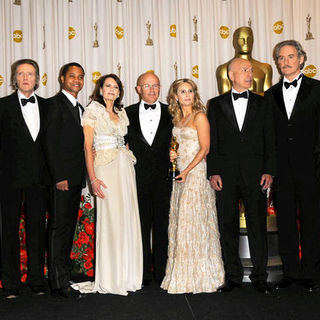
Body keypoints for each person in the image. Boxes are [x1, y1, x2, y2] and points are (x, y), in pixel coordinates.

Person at [207, 58, 276, 294]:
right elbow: (212, 141)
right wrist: (213, 171)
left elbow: (270, 139)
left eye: (251, 70)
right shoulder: (215, 104)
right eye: (245, 70)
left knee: (258, 225)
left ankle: (260, 277)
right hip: (225, 175)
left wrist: (269, 170)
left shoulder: (264, 103)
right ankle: (233, 277)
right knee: (227, 226)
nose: (250, 73)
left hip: (256, 173)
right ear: (231, 75)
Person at [72, 74, 143, 295]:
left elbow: (125, 140)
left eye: (116, 86)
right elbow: (86, 146)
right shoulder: (93, 110)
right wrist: (92, 178)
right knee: (111, 220)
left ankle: (128, 275)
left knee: (127, 218)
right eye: (108, 86)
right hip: (104, 169)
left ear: (120, 91)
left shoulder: (121, 113)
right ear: (100, 89)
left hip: (125, 167)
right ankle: (112, 277)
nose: (112, 89)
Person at [265, 40, 320, 293]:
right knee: (285, 221)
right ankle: (290, 272)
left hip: (311, 167)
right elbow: (269, 135)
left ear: (301, 59)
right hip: (282, 169)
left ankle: (310, 273)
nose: (285, 62)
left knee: (311, 220)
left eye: (290, 57)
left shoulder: (317, 89)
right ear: (277, 63)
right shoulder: (270, 94)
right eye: (281, 58)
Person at [161, 79, 225, 294]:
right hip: (179, 176)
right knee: (181, 222)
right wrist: (174, 157)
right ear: (176, 97)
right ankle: (182, 274)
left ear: (194, 95)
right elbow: (178, 145)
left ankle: (202, 275)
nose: (187, 95)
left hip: (195, 176)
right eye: (182, 91)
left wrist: (186, 171)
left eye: (190, 91)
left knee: (194, 222)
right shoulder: (177, 119)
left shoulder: (200, 116)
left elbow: (205, 148)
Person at [0, 59, 49, 298]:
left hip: (39, 180)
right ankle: (10, 284)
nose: (26, 78)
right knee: (8, 231)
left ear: (37, 78)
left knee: (37, 230)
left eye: (30, 74)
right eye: (21, 74)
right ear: (14, 78)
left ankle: (37, 280)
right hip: (8, 179)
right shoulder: (2, 106)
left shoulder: (48, 106)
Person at [43, 62, 86, 299]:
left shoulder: (80, 107)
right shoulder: (53, 105)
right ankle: (58, 283)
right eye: (72, 76)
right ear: (61, 78)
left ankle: (63, 276)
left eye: (80, 77)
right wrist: (59, 176)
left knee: (68, 227)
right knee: (59, 227)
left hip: (76, 178)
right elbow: (50, 143)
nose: (77, 80)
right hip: (62, 180)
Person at [125, 72, 172, 286]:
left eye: (156, 85)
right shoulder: (126, 114)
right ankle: (142, 273)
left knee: (163, 227)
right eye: (147, 86)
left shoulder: (173, 112)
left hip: (165, 179)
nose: (152, 90)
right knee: (140, 226)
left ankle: (162, 272)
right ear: (138, 89)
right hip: (136, 179)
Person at [216, 26, 272, 96]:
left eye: (249, 39)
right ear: (234, 42)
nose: (246, 42)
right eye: (241, 39)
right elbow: (224, 100)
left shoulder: (265, 68)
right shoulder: (224, 69)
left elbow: (269, 98)